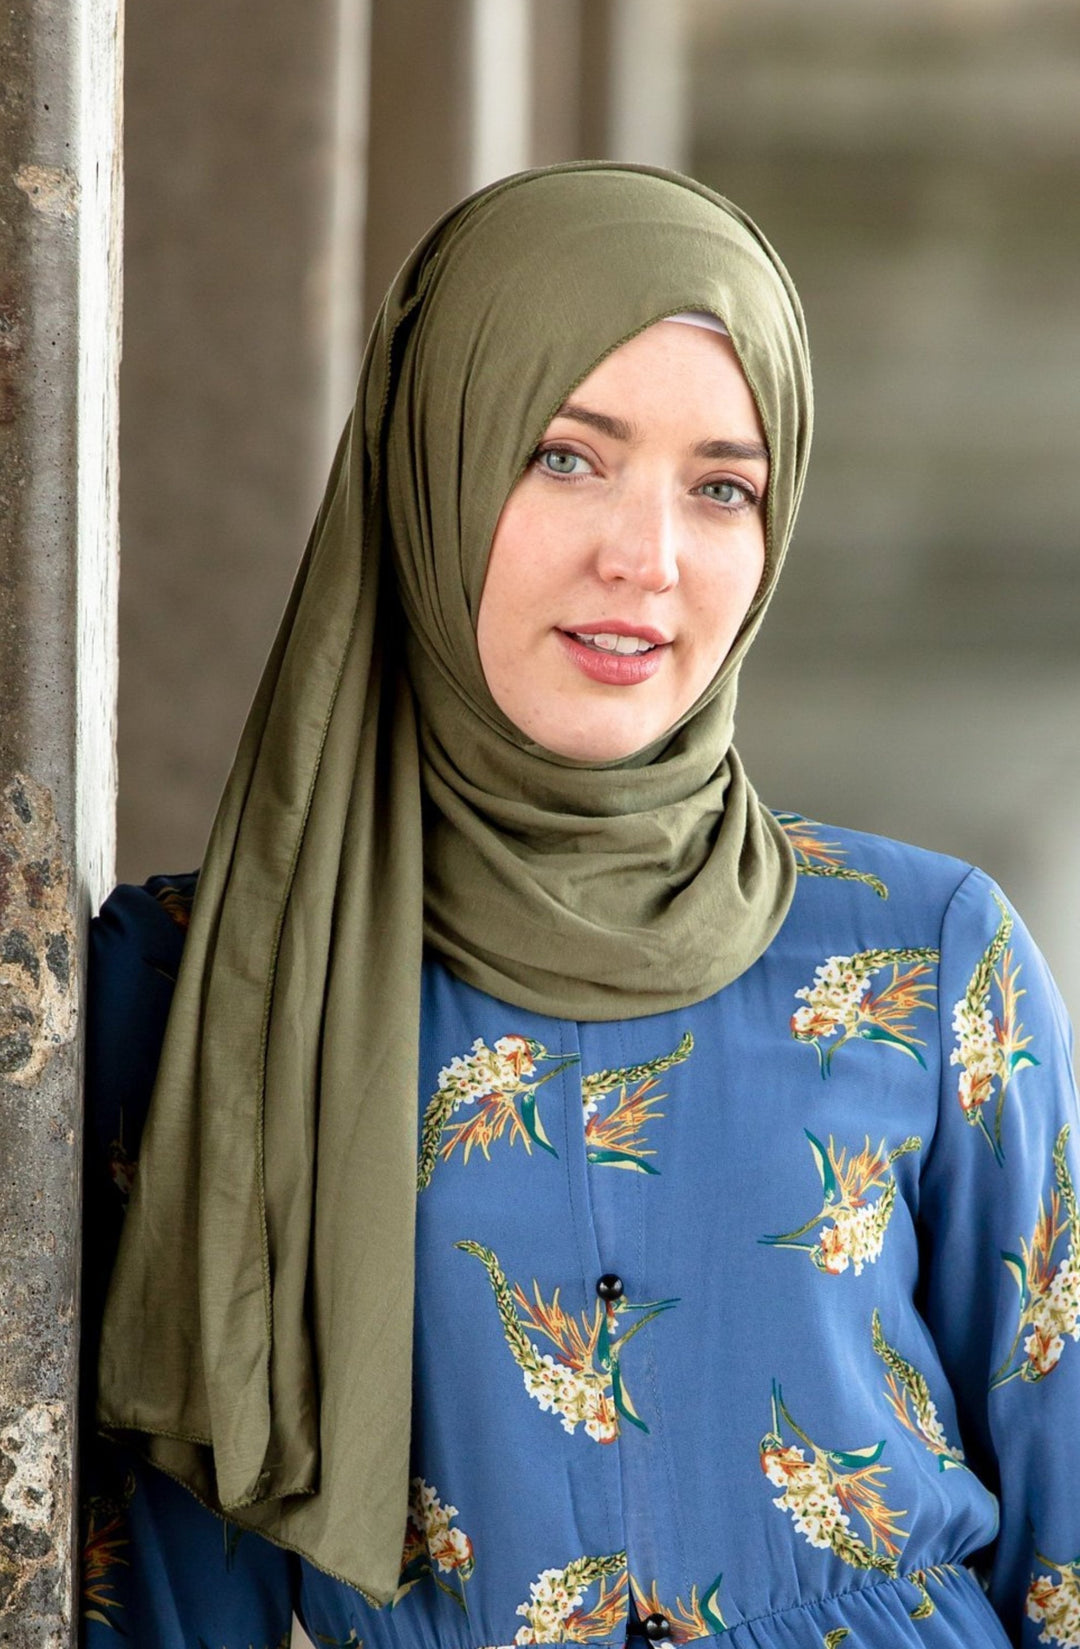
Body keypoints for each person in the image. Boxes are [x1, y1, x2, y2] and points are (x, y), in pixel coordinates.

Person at [80, 163, 1080, 1649]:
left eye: (721, 485)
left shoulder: (926, 960)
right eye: (564, 456)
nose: (646, 557)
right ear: (434, 463)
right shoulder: (198, 981)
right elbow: (154, 1578)